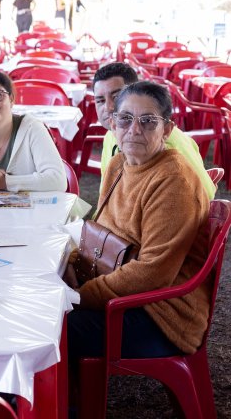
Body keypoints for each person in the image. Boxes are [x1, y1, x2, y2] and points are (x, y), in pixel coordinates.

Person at [65, 80, 210, 364]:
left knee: (54, 331)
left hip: (161, 314)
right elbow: (102, 229)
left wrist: (81, 295)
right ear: (113, 123)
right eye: (126, 119)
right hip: (123, 290)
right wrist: (73, 263)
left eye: (148, 121)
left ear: (167, 129)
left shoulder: (173, 181)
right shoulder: (119, 163)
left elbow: (153, 272)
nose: (134, 130)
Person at [93, 62, 215, 199]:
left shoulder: (162, 149)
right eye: (100, 101)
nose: (108, 107)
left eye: (116, 97)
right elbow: (106, 193)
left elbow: (204, 197)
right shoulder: (111, 135)